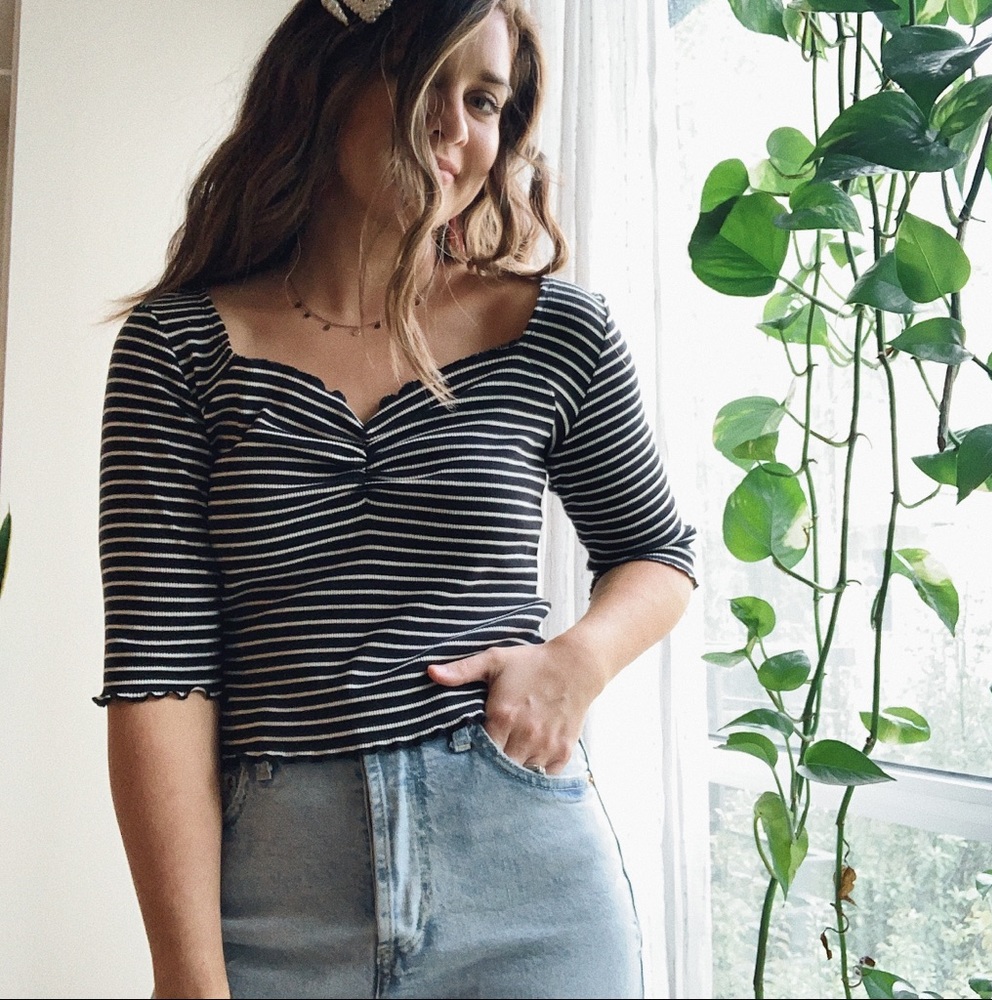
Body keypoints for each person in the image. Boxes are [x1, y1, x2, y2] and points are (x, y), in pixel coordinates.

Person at [96, 1, 697, 997]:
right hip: (272, 895)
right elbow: (160, 673)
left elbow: (657, 553)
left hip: (527, 887)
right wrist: (185, 972)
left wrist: (577, 661)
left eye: (486, 100)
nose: (455, 128)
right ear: (325, 78)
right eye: (429, 80)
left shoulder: (558, 332)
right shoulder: (176, 349)